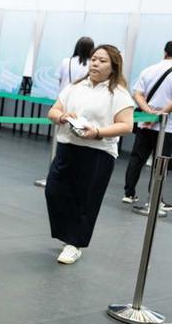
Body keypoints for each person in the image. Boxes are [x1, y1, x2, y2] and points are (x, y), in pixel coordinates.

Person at [45, 44, 134, 265]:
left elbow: (126, 126)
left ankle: (74, 243)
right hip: (68, 146)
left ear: (113, 67)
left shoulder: (119, 94)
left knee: (85, 200)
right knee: (54, 191)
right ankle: (68, 236)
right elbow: (52, 111)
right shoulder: (75, 87)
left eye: (102, 60)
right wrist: (63, 116)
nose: (95, 63)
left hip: (98, 153)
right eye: (94, 59)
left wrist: (98, 132)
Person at [122, 41, 172, 207]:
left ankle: (129, 193)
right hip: (167, 126)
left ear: (165, 52)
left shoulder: (148, 70)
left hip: (145, 123)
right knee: (160, 161)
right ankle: (155, 198)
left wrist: (148, 113)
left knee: (137, 158)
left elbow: (137, 94)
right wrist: (160, 113)